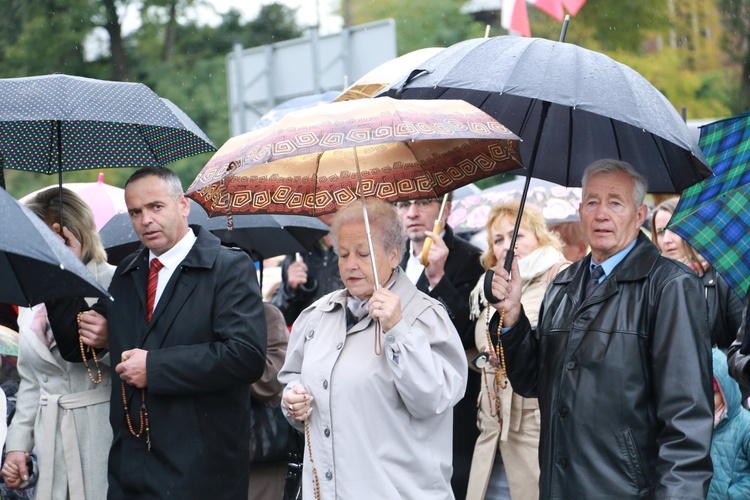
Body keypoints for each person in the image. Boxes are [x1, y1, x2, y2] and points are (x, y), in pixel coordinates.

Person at [485, 159, 714, 498]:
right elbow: (533, 380)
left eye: (615, 202)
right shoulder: (563, 284)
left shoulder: (669, 286)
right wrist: (513, 316)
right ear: (580, 210)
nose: (601, 213)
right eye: (592, 202)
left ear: (639, 216)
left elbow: (687, 423)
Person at [43, 167, 267, 498]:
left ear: (183, 206)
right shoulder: (129, 271)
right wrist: (65, 265)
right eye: (135, 212)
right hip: (131, 467)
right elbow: (77, 348)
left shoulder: (227, 267)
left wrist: (155, 368)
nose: (145, 219)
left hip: (201, 470)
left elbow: (245, 357)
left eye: (156, 207)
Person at [279, 198, 467, 499]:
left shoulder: (425, 315)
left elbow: (433, 398)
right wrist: (292, 400)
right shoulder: (317, 316)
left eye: (363, 254)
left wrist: (397, 330)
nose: (351, 264)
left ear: (394, 255)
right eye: (343, 254)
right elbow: (293, 381)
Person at [1, 187, 115, 499]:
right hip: (50, 442)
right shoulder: (31, 300)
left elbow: (134, 358)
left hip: (103, 436)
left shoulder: (114, 282)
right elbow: (31, 383)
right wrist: (17, 448)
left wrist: (107, 340)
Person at [466, 202, 569, 500]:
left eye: (516, 236)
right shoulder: (490, 287)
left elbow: (568, 349)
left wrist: (517, 348)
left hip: (533, 428)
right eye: (498, 240)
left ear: (539, 235)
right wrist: (487, 357)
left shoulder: (560, 276)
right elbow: (479, 346)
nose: (507, 247)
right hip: (492, 427)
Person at [396, 194, 484, 499]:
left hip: (451, 406)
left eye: (423, 203)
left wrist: (438, 278)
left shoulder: (473, 259)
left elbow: (467, 333)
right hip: (399, 401)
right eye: (403, 205)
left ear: (445, 209)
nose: (412, 213)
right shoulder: (388, 257)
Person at [651, 197, 743, 349]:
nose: (666, 240)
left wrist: (714, 361)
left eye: (674, 229)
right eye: (660, 232)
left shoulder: (724, 279)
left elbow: (742, 347)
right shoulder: (652, 284)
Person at [271, 213, 342, 327]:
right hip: (309, 336)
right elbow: (280, 317)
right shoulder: (297, 255)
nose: (331, 206)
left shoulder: (353, 252)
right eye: (323, 200)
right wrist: (290, 289)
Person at [708, 347, 750, 499]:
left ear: (726, 389)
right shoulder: (696, 427)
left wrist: (733, 495)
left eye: (712, 393)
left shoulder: (745, 425)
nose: (706, 399)